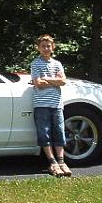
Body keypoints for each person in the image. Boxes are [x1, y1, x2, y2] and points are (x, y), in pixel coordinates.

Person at [30, 34, 72, 177]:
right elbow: (38, 84)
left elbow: (63, 81)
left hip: (57, 104)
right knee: (45, 133)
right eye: (43, 46)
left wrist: (46, 78)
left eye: (48, 46)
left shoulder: (57, 63)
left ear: (52, 47)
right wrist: (55, 81)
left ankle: (62, 161)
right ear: (38, 48)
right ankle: (52, 162)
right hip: (41, 104)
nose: (46, 48)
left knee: (59, 132)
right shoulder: (35, 63)